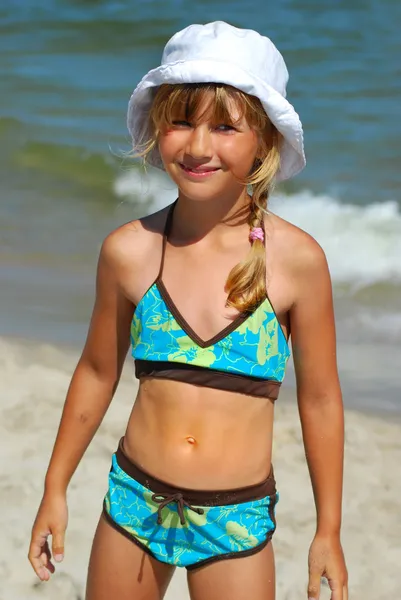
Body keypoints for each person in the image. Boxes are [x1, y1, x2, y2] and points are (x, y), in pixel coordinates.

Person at [28, 21, 348, 600]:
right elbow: (97, 372)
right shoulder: (129, 252)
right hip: (134, 504)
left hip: (235, 521)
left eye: (226, 126)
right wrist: (55, 486)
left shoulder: (297, 263)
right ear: (157, 128)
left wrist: (328, 528)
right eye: (181, 121)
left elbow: (322, 399)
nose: (199, 146)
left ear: (265, 141)